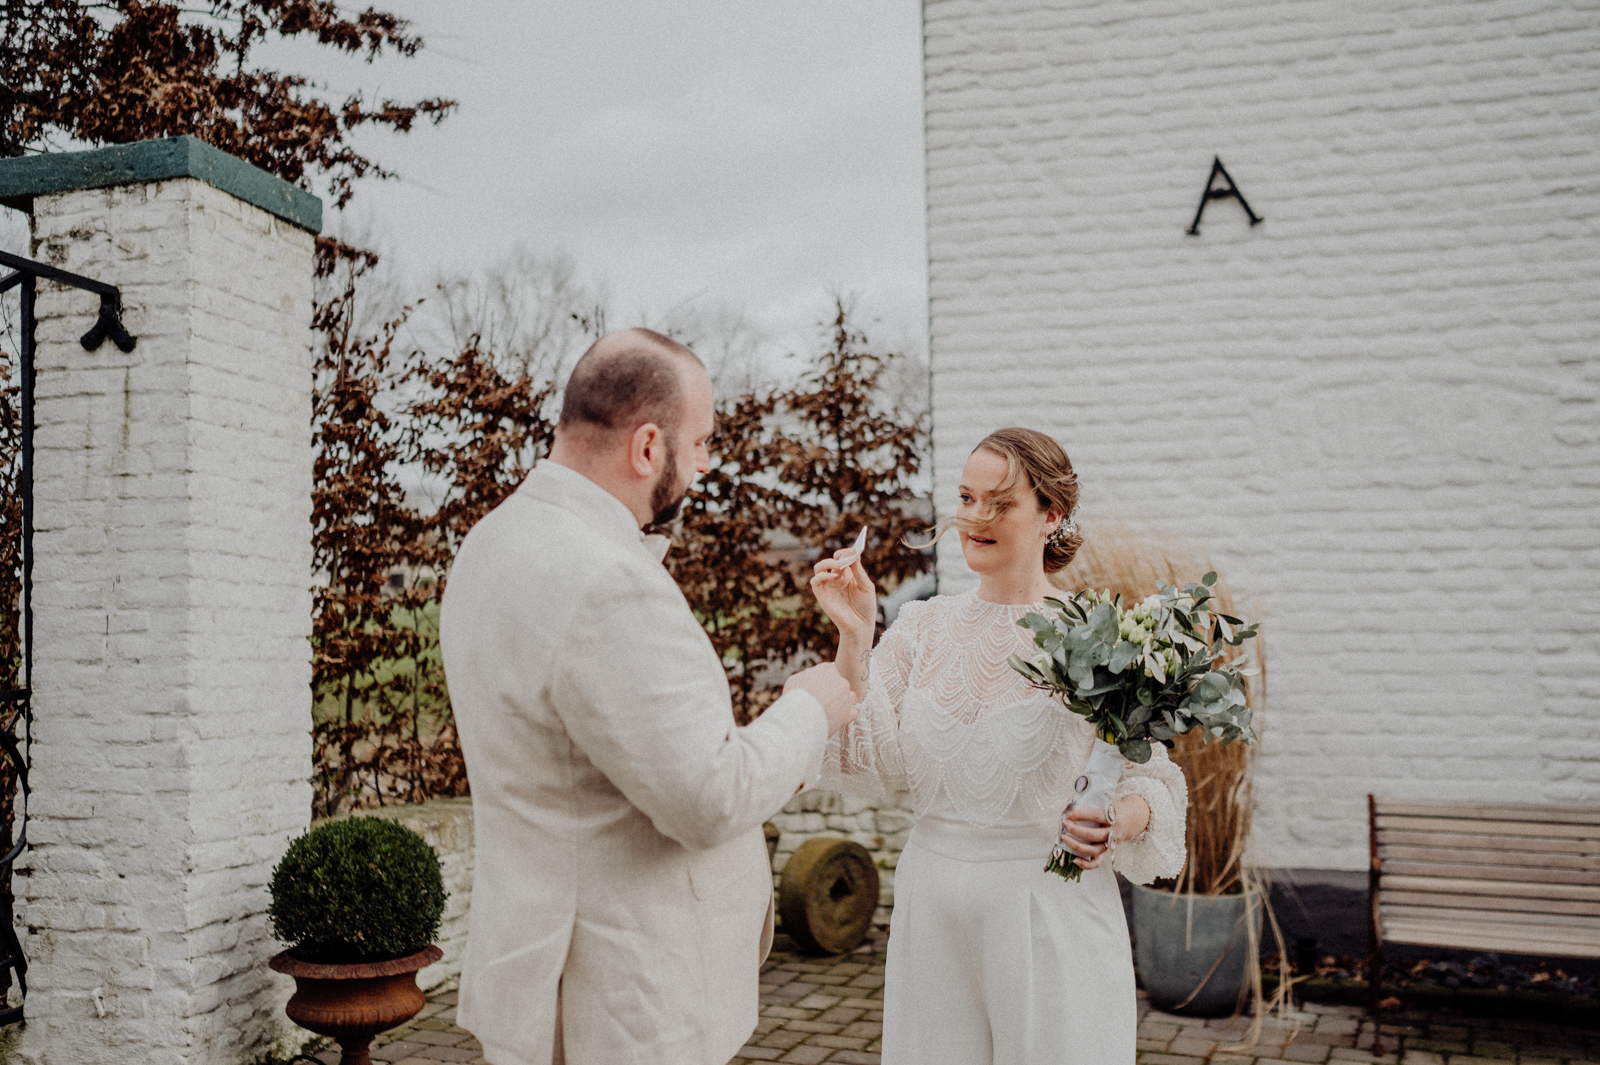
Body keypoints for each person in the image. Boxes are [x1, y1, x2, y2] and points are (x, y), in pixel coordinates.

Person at [440, 328, 858, 1065]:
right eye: (698, 443)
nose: (706, 463)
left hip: (541, 960)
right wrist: (811, 704)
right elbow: (709, 796)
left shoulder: (493, 541)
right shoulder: (607, 581)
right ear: (645, 448)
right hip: (628, 1002)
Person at [809, 427, 1188, 1065]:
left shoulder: (1097, 636)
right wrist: (855, 634)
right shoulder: (922, 628)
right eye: (966, 497)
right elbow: (872, 757)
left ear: (1052, 514)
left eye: (1001, 502)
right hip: (931, 909)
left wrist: (1116, 821)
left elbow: (1153, 781)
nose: (976, 518)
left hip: (1050, 910)